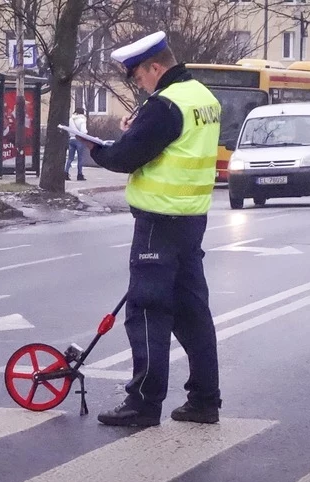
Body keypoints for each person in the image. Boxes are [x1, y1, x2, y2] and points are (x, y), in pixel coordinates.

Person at [80, 31, 222, 427]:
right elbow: (173, 144)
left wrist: (96, 148)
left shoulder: (165, 105)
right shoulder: (203, 98)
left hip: (159, 224)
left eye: (138, 76)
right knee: (193, 312)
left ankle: (143, 404)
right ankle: (205, 400)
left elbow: (127, 157)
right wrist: (139, 125)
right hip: (192, 220)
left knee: (147, 312)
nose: (138, 84)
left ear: (154, 67)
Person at [65, 107, 88, 181]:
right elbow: (83, 131)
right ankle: (80, 175)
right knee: (80, 158)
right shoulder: (82, 120)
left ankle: (65, 173)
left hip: (71, 139)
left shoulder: (71, 119)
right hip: (79, 140)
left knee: (70, 158)